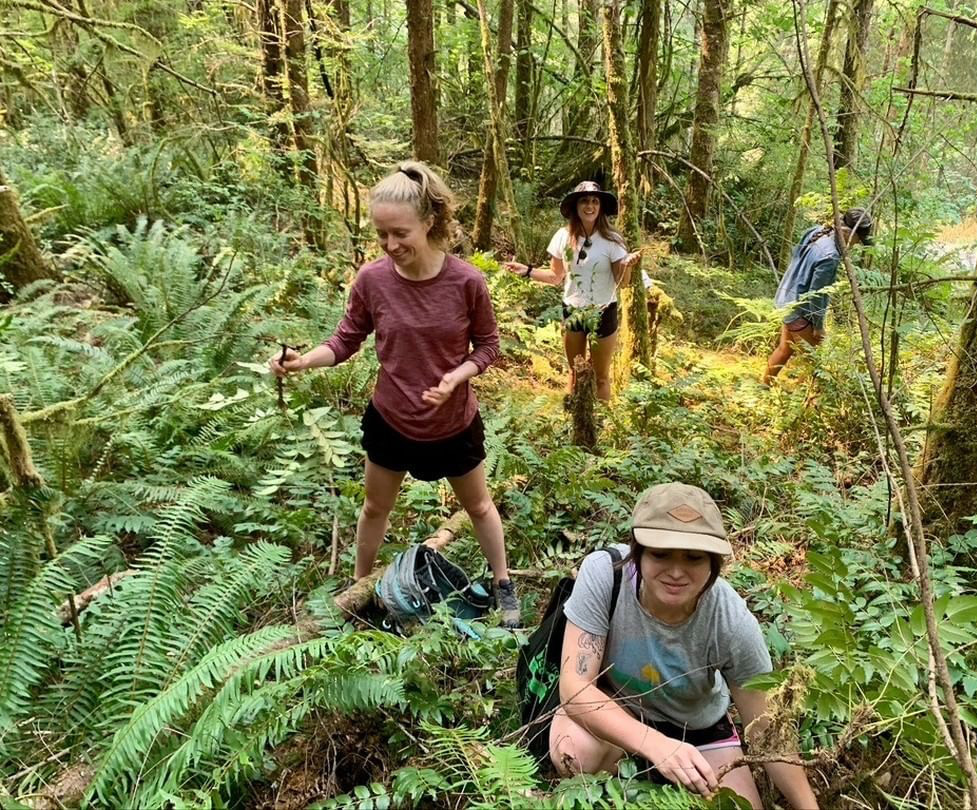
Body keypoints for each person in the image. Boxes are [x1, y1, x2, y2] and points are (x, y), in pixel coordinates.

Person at [268, 161, 520, 627]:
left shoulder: (467, 281)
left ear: (430, 221)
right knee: (373, 507)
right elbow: (346, 340)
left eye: (399, 233)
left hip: (454, 424)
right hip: (391, 420)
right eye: (381, 234)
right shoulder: (372, 280)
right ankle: (360, 589)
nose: (390, 245)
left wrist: (457, 376)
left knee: (479, 506)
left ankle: (504, 583)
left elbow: (488, 347)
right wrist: (304, 361)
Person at [549, 483, 819, 809]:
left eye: (693, 558)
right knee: (574, 751)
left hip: (698, 728)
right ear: (639, 551)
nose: (676, 572)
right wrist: (656, 745)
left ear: (713, 563)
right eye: (661, 554)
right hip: (617, 705)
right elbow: (575, 687)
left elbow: (765, 730)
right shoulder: (607, 574)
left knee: (736, 805)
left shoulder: (730, 621)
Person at [502, 181, 641, 401]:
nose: (590, 206)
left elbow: (622, 283)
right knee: (575, 371)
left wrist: (627, 265)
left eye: (595, 201)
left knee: (601, 376)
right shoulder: (563, 236)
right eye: (585, 200)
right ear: (576, 206)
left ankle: (602, 426)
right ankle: (573, 423)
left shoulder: (613, 241)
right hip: (573, 311)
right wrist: (527, 270)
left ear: (601, 207)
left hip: (604, 312)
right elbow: (555, 276)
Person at [763, 208, 874, 385]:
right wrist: (818, 326)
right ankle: (803, 402)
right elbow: (817, 295)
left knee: (785, 349)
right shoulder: (831, 257)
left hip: (785, 298)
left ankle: (764, 387)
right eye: (857, 239)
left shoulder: (816, 231)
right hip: (797, 310)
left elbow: (797, 257)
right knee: (817, 359)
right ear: (848, 232)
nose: (856, 244)